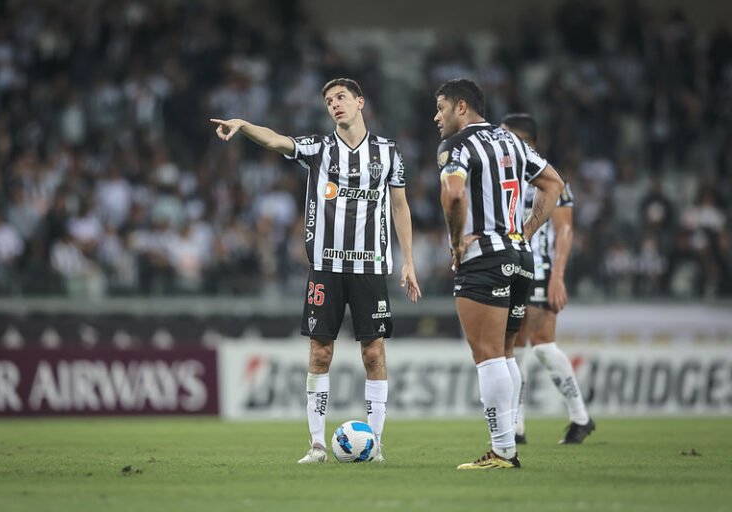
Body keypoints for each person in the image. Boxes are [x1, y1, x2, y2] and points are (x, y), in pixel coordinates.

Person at [211, 78, 422, 464]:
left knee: (373, 352)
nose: (335, 104)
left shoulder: (389, 153)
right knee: (319, 352)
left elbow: (400, 208)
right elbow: (276, 141)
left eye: (341, 97)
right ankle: (317, 445)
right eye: (328, 101)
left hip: (370, 267)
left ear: (360, 101)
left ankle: (375, 445)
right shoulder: (319, 149)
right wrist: (243, 125)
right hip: (325, 267)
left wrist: (408, 260)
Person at [434, 79, 563, 469]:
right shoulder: (513, 142)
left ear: (461, 107)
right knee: (506, 354)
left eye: (440, 107)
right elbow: (553, 183)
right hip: (522, 258)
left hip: (484, 259)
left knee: (488, 355)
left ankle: (503, 450)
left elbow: (454, 194)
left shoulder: (455, 146)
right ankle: (507, 444)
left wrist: (456, 242)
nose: (435, 116)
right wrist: (526, 230)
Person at [501, 113, 595, 445]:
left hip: (540, 269)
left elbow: (564, 229)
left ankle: (580, 417)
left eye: (508, 136)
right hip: (512, 268)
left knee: (541, 345)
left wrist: (558, 276)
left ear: (527, 142)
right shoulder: (503, 173)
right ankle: (518, 425)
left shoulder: (548, 176)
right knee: (514, 347)